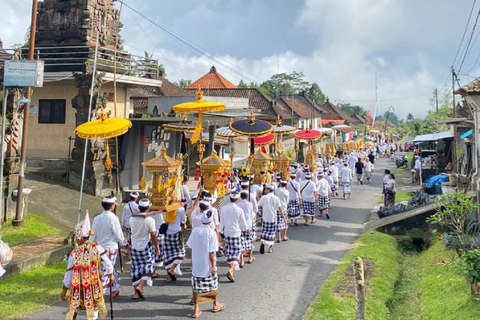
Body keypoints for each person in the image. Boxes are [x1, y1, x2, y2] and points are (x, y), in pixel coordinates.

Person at [62, 211, 113, 320]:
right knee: (93, 308)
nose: (76, 239)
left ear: (80, 238)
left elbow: (69, 272)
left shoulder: (75, 253)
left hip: (78, 286)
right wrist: (110, 274)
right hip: (93, 285)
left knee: (74, 307)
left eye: (76, 236)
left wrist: (65, 288)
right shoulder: (97, 248)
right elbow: (108, 263)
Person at [187, 211, 226, 319]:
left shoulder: (195, 231)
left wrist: (191, 259)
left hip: (197, 261)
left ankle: (196, 310)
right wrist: (213, 265)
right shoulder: (211, 233)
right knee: (213, 284)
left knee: (196, 286)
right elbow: (211, 252)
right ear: (211, 221)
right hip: (207, 263)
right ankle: (215, 304)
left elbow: (190, 247)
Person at [90, 196, 128, 297]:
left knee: (109, 267)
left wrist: (88, 245)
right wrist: (125, 243)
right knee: (107, 269)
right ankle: (100, 291)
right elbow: (119, 235)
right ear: (112, 206)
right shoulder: (113, 218)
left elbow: (92, 233)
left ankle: (114, 288)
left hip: (100, 247)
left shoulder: (97, 218)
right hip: (110, 248)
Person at [129, 199, 161, 300]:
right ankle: (140, 286)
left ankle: (136, 293)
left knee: (135, 268)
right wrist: (157, 247)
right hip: (145, 245)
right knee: (149, 266)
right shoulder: (150, 220)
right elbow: (153, 235)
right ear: (148, 207)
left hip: (134, 245)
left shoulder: (132, 218)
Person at [219, 191, 250, 282]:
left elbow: (222, 222)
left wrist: (220, 232)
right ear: (237, 199)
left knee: (229, 253)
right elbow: (243, 223)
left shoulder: (223, 209)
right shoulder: (239, 210)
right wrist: (247, 229)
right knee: (236, 253)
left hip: (227, 233)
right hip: (236, 233)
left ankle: (231, 272)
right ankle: (231, 270)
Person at [257, 184, 286, 253]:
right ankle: (270, 248)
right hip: (273, 218)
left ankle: (262, 243)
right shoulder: (276, 198)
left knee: (264, 231)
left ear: (268, 190)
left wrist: (258, 196)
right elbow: (280, 209)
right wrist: (283, 217)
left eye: (266, 189)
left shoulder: (264, 197)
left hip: (265, 218)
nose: (265, 190)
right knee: (272, 233)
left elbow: (258, 204)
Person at [164, 206, 187, 282]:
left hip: (166, 233)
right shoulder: (180, 208)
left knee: (168, 255)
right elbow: (183, 220)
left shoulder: (164, 207)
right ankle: (172, 269)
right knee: (181, 253)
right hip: (177, 233)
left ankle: (168, 276)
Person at [237, 191, 255, 266]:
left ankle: (242, 261)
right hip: (248, 225)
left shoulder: (238, 205)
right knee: (249, 241)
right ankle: (250, 257)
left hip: (240, 226)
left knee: (241, 243)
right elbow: (251, 214)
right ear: (247, 197)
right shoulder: (250, 204)